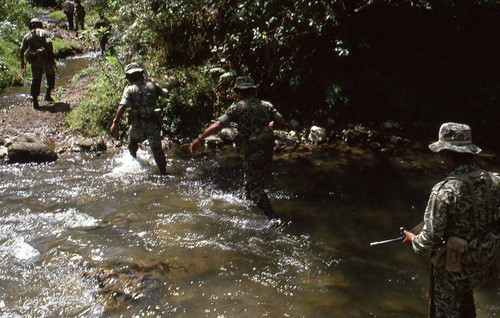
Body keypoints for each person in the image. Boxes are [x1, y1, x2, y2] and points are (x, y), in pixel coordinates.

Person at [403, 122, 500, 318]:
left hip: (453, 273)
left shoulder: (444, 191)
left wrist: (413, 239)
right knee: (466, 304)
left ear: (447, 155)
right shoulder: (495, 181)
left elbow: (428, 240)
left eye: (442, 155)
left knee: (446, 313)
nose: (441, 159)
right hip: (483, 265)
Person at [189, 76, 286, 219]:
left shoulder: (237, 107)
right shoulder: (266, 105)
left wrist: (200, 139)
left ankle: (273, 219)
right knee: (251, 178)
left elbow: (218, 125)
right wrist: (269, 125)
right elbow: (282, 121)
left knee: (256, 189)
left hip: (252, 148)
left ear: (239, 91)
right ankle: (249, 208)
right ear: (253, 90)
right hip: (267, 148)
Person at [109, 63, 169, 175]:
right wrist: (155, 83)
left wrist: (115, 123)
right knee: (157, 149)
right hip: (153, 122)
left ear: (130, 77)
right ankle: (163, 173)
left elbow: (122, 106)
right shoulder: (151, 85)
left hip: (137, 124)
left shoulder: (129, 89)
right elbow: (166, 94)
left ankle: (133, 163)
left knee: (132, 143)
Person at [20, 18, 56, 110]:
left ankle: (35, 102)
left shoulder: (27, 36)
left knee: (36, 80)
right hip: (46, 59)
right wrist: (51, 55)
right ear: (39, 24)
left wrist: (22, 61)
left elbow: (22, 50)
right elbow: (49, 43)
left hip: (35, 61)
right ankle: (47, 95)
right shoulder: (45, 33)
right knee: (50, 75)